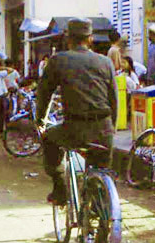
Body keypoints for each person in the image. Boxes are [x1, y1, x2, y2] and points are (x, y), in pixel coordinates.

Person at [36, 18, 118, 205]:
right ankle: (98, 212)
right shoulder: (105, 62)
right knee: (100, 170)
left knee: (49, 138)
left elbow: (44, 94)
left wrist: (40, 120)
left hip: (74, 129)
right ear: (90, 39)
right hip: (103, 130)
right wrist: (111, 128)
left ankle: (60, 189)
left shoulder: (58, 60)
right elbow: (114, 100)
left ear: (68, 39)